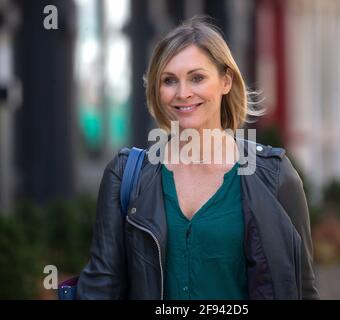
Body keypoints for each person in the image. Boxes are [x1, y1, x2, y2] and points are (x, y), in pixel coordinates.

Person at [77, 16, 319, 300]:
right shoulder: (126, 175)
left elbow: (302, 289)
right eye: (169, 80)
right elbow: (99, 288)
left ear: (226, 80)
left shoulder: (275, 176)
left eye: (197, 77)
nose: (183, 93)